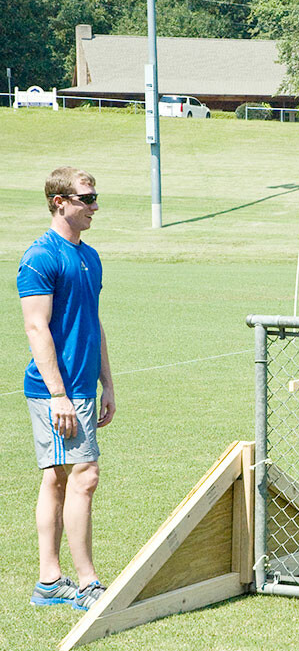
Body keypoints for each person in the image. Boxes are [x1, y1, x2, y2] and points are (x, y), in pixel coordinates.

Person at [18, 167, 115, 610]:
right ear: (60, 202)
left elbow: (93, 322)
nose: (95, 206)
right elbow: (37, 328)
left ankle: (50, 581)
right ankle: (88, 582)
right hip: (55, 389)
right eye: (87, 198)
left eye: (95, 198)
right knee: (85, 476)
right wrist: (59, 395)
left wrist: (106, 382)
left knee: (58, 478)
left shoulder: (90, 256)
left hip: (81, 384)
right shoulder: (40, 256)